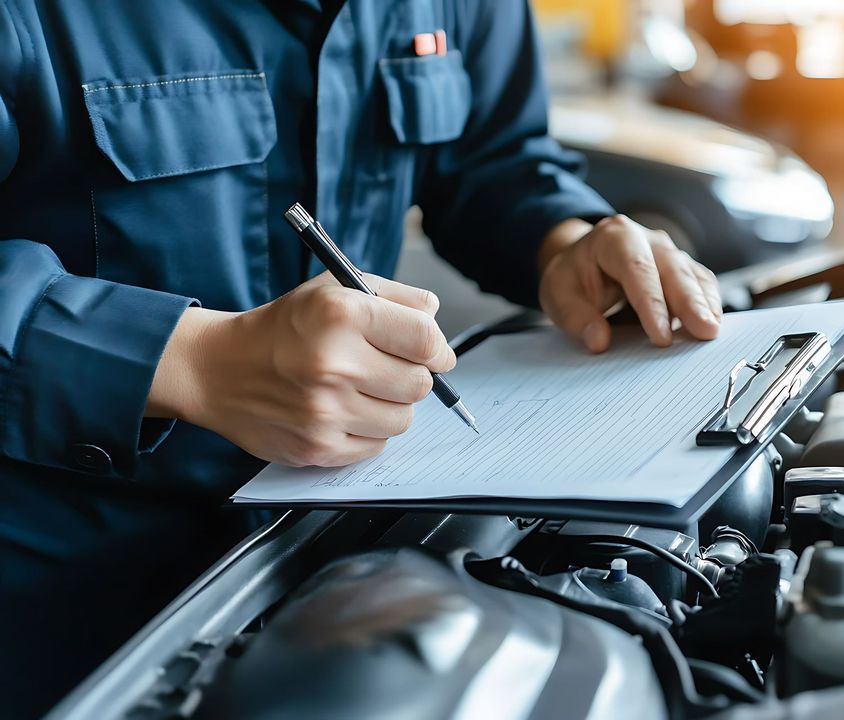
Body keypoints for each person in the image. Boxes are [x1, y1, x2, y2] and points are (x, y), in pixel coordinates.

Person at [0, 0, 723, 714]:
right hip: (59, 601)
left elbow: (493, 159)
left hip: (339, 550)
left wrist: (564, 242)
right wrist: (191, 361)